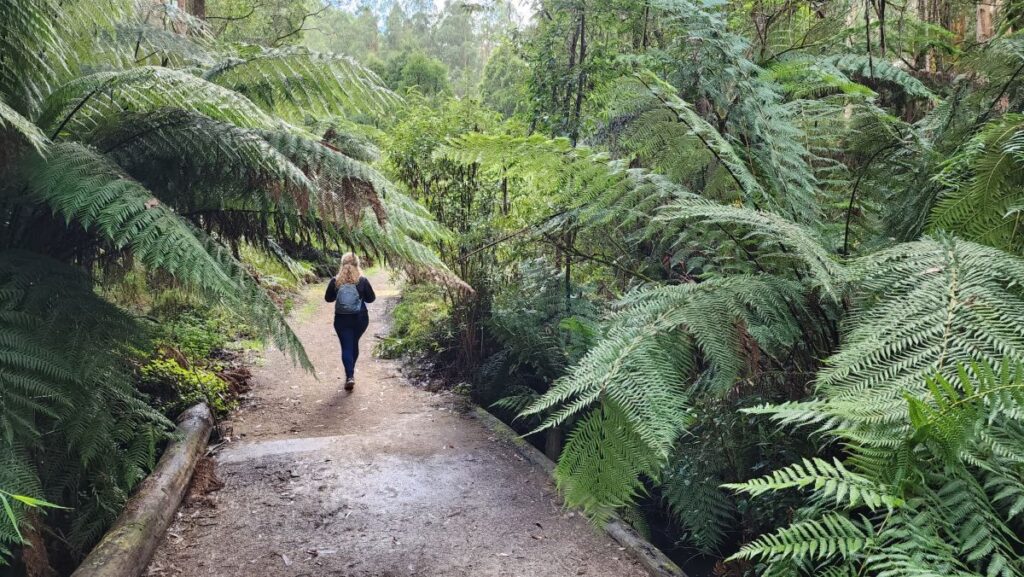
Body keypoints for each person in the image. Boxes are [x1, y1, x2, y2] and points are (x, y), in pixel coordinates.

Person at [324, 252, 375, 390]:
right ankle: (350, 372)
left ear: (342, 265)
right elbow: (371, 299)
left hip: (341, 319)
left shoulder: (335, 281)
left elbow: (328, 299)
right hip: (360, 318)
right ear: (357, 264)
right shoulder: (362, 280)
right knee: (354, 343)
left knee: (346, 346)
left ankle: (350, 376)